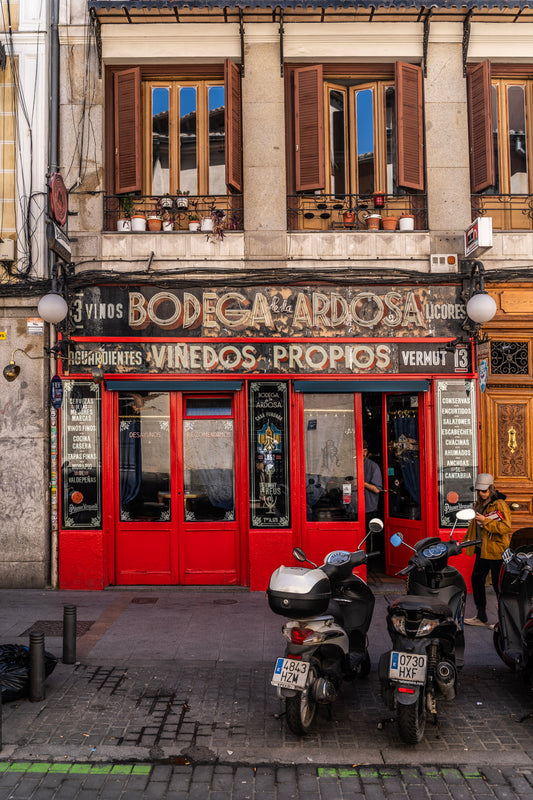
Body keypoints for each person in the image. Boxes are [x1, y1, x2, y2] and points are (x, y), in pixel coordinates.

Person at [464, 472, 512, 628]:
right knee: (476, 580)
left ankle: (503, 622)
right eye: (479, 490)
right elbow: (473, 528)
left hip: (497, 551)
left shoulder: (499, 504)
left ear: (491, 489)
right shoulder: (478, 504)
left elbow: (506, 527)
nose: (481, 493)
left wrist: (485, 521)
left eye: (484, 490)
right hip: (482, 549)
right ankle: (481, 616)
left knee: (499, 586)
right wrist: (464, 543)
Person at [363, 440, 383, 533]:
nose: (363, 453)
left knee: (367, 535)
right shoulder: (351, 465)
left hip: (369, 508)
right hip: (352, 508)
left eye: (365, 451)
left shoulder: (373, 466)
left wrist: (362, 483)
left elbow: (377, 489)